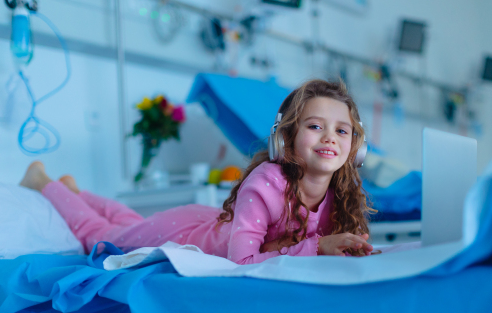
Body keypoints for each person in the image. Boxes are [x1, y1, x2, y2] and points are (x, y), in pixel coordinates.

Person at [20, 79, 375, 264]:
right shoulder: (266, 183)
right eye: (315, 126)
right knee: (102, 235)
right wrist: (316, 246)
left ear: (354, 148)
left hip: (215, 223)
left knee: (126, 221)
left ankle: (77, 193)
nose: (330, 137)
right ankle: (44, 182)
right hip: (186, 235)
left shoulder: (343, 192)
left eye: (342, 130)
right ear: (286, 139)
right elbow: (245, 261)